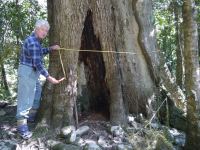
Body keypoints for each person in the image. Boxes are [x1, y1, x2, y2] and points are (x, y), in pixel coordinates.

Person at [16, 19, 64, 139]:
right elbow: (37, 62)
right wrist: (49, 77)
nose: (45, 33)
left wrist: (50, 48)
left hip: (33, 72)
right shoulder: (32, 41)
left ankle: (31, 117)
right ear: (36, 29)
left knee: (36, 95)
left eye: (46, 31)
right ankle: (22, 128)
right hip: (28, 71)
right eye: (43, 30)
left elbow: (38, 52)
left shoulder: (36, 41)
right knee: (25, 98)